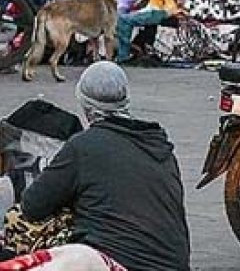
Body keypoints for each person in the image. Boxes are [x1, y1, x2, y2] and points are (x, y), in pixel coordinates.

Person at [19, 62, 190, 271]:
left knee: (21, 222)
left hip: (120, 263)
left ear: (84, 102)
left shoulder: (83, 146)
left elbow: (32, 206)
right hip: (175, 265)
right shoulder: (161, 147)